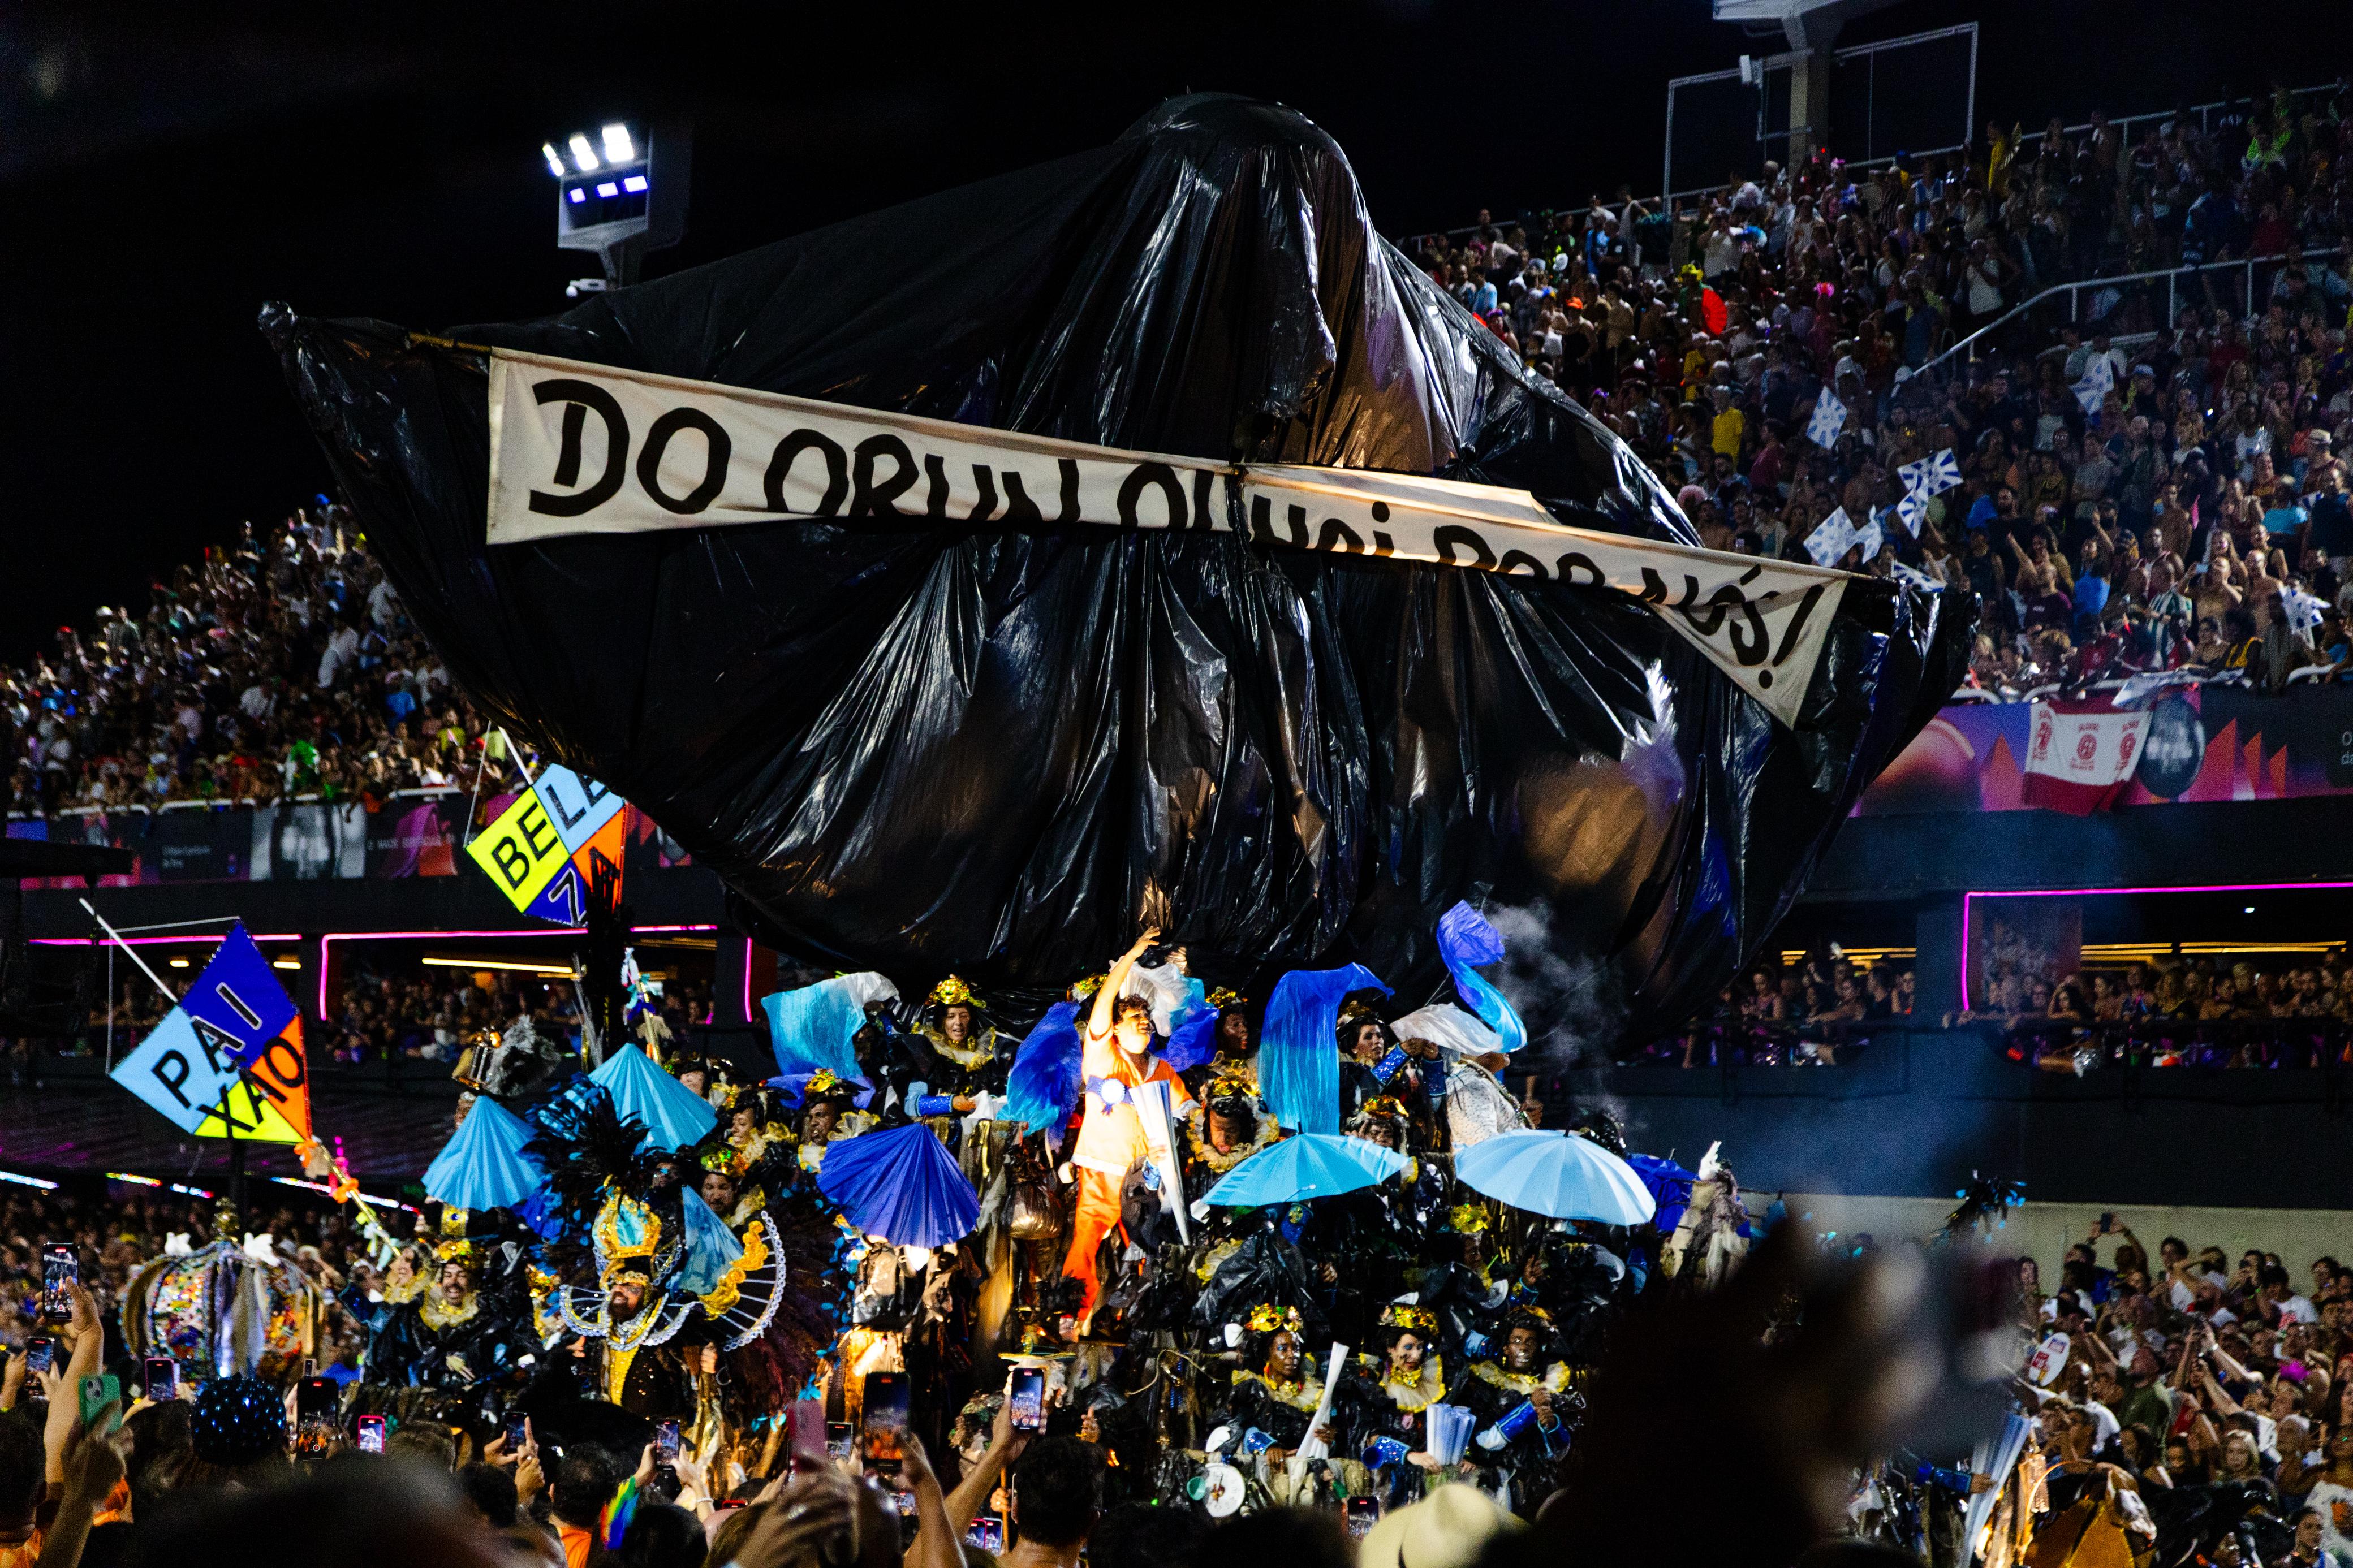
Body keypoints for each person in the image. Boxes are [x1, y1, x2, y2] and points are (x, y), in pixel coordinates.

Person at [1062, 929, 1197, 1331]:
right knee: (1086, 1240)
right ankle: (1072, 1314)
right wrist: (1133, 955)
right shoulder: (1103, 1053)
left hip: (1146, 1174)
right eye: (1134, 1018)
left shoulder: (1161, 1069)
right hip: (1103, 1167)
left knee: (1148, 1245)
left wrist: (1200, 1117)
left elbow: (1187, 1108)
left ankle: (1140, 1322)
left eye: (1146, 1017)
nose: (1143, 1022)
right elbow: (1105, 1001)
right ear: (1115, 1028)